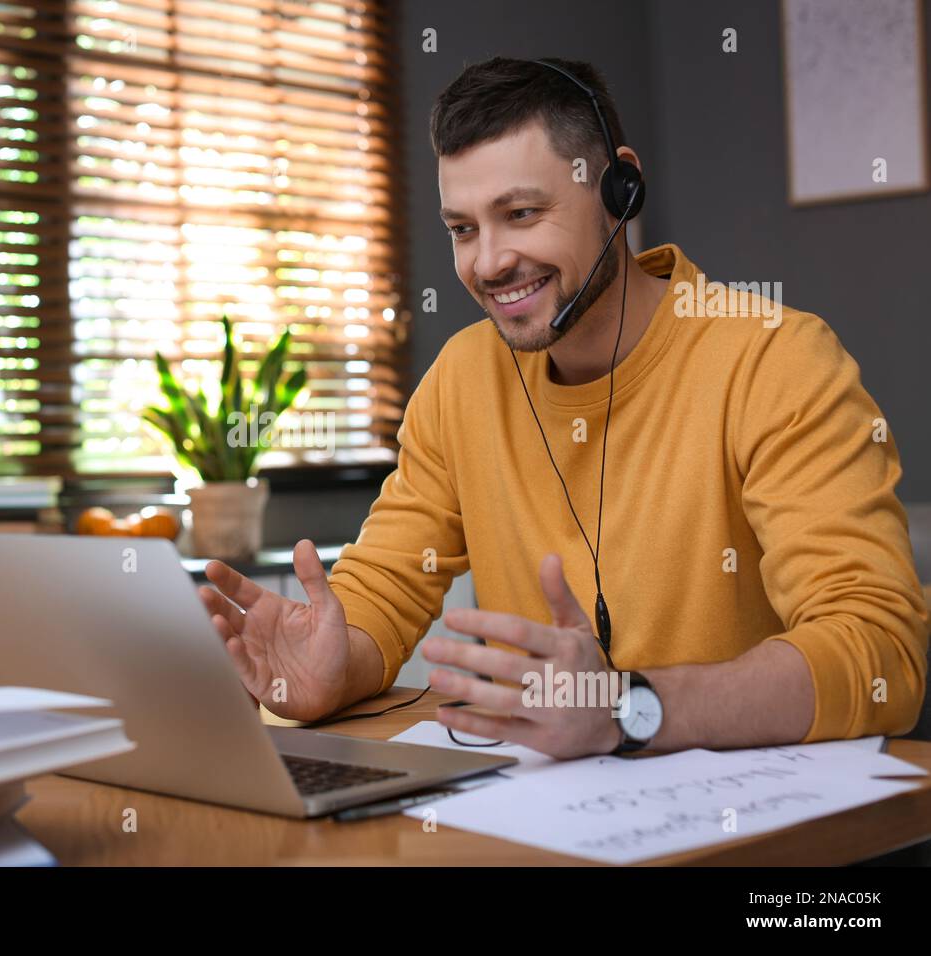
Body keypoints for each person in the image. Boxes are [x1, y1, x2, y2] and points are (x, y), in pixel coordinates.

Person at [197, 56, 928, 759]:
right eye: (463, 229)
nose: (487, 262)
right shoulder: (463, 380)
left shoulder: (775, 359)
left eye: (520, 213)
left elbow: (880, 654)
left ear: (622, 190)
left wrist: (627, 708)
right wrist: (336, 662)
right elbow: (385, 587)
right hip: (542, 823)